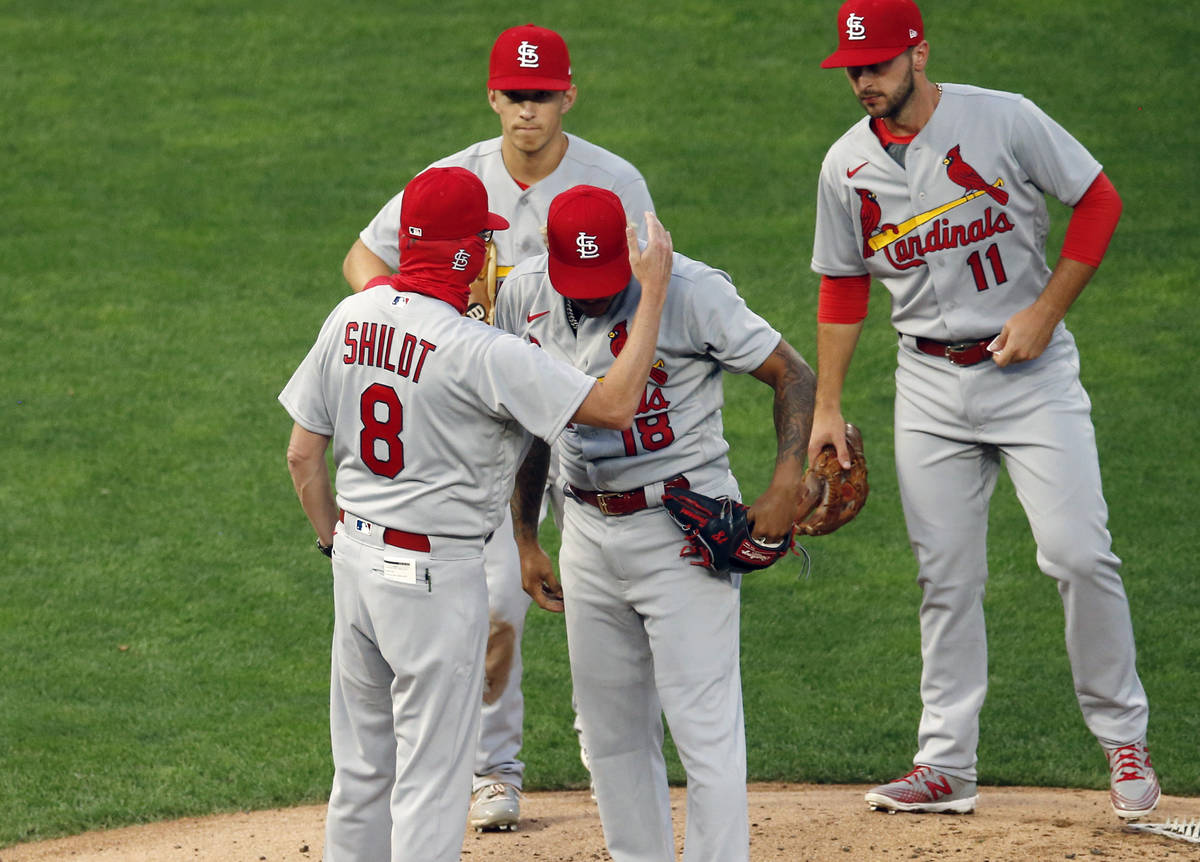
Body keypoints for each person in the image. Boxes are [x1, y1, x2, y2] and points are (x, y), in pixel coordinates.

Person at [809, 0, 1159, 819]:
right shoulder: (844, 166)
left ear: (919, 54)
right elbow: (843, 282)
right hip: (927, 385)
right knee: (945, 577)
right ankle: (945, 766)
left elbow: (1098, 200)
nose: (865, 81)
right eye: (855, 69)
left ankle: (1124, 739)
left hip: (1031, 378)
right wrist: (827, 404)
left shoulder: (1004, 119)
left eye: (880, 65)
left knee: (1079, 555)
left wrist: (1046, 312)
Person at [280, 167, 674, 861]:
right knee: (432, 781)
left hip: (356, 566)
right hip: (435, 581)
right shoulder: (482, 353)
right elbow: (614, 406)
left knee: (363, 772)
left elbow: (302, 458)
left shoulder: (350, 316)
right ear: (465, 254)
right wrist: (654, 299)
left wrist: (333, 541)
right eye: (483, 243)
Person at [342, 23, 655, 830]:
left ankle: (615, 760)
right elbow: (361, 261)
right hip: (481, 427)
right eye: (515, 96)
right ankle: (493, 769)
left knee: (606, 591)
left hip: (580, 419)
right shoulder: (451, 180)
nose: (528, 111)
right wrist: (418, 325)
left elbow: (646, 283)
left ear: (568, 95)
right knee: (496, 602)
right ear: (493, 97)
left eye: (542, 95)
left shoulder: (612, 181)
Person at [495, 185, 816, 862]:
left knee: (703, 726)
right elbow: (532, 427)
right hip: (582, 525)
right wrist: (526, 537)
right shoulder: (520, 297)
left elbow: (793, 372)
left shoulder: (692, 290)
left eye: (603, 279)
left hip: (682, 530)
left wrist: (787, 479)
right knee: (608, 731)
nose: (588, 295)